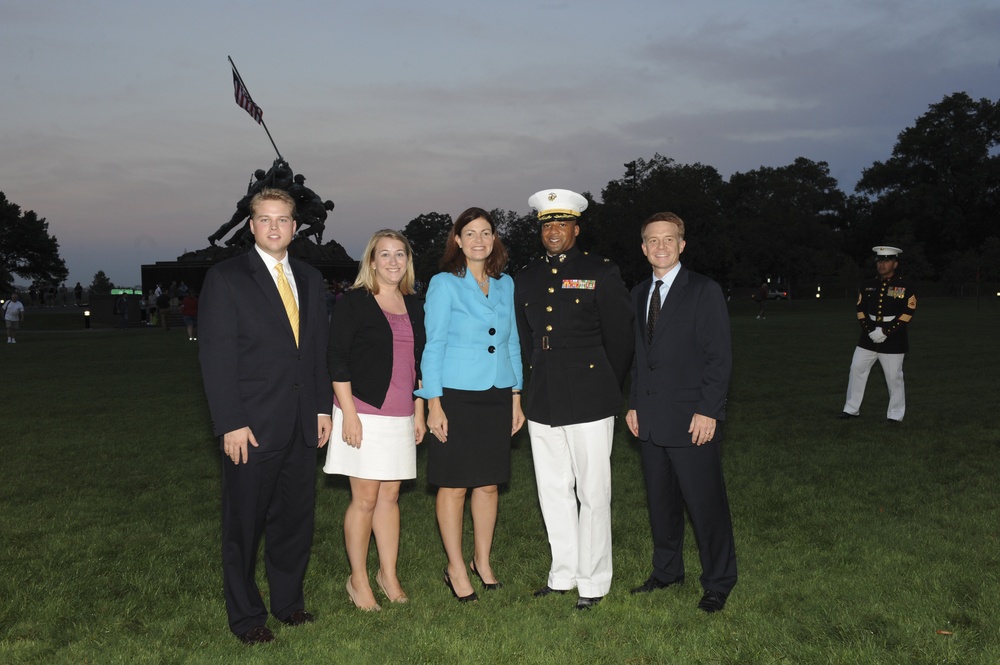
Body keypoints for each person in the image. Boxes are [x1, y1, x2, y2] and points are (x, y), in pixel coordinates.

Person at [198, 187, 333, 645]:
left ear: (295, 227)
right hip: (250, 427)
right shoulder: (226, 277)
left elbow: (314, 352)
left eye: (283, 219)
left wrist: (321, 408)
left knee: (294, 520)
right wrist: (230, 422)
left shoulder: (312, 279)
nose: (275, 227)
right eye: (265, 219)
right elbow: (216, 359)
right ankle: (247, 617)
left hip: (300, 422)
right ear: (251, 225)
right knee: (244, 525)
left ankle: (289, 603)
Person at [513, 189, 634, 610]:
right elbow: (525, 338)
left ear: (576, 228)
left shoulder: (600, 270)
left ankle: (594, 581)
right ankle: (562, 573)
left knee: (594, 492)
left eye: (561, 223)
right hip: (543, 394)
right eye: (547, 224)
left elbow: (620, 337)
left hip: (590, 392)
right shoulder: (525, 276)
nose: (553, 231)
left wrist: (607, 383)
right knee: (552, 489)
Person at [625, 211, 737, 614]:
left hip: (693, 421)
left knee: (706, 506)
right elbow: (640, 358)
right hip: (652, 419)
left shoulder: (703, 290)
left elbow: (718, 357)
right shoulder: (638, 293)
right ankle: (667, 571)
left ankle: (719, 581)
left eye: (668, 239)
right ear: (643, 247)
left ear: (682, 244)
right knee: (661, 503)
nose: (660, 246)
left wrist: (709, 411)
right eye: (653, 240)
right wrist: (635, 402)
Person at [415, 207, 525, 603]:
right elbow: (434, 344)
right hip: (457, 395)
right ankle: (456, 567)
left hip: (497, 392)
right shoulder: (444, 284)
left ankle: (483, 560)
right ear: (457, 241)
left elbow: (512, 341)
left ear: (494, 239)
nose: (479, 239)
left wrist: (516, 395)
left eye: (486, 232)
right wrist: (434, 403)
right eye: (470, 233)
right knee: (454, 485)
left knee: (489, 483)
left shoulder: (506, 283)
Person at [324, 230, 427, 611]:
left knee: (391, 495)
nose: (393, 262)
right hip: (364, 411)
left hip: (401, 412)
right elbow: (337, 358)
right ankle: (358, 579)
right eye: (384, 255)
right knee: (364, 498)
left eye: (400, 254)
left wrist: (419, 410)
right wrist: (348, 414)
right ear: (371, 261)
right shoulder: (355, 303)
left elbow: (419, 362)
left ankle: (388, 573)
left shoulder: (414, 304)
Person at [837, 246, 916, 423]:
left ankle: (895, 414)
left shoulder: (905, 286)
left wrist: (885, 331)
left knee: (894, 377)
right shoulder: (868, 285)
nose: (882, 264)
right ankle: (851, 409)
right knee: (856, 369)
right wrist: (870, 330)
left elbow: (906, 315)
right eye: (879, 261)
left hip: (894, 338)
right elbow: (860, 309)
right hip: (868, 337)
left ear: (895, 264)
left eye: (886, 261)